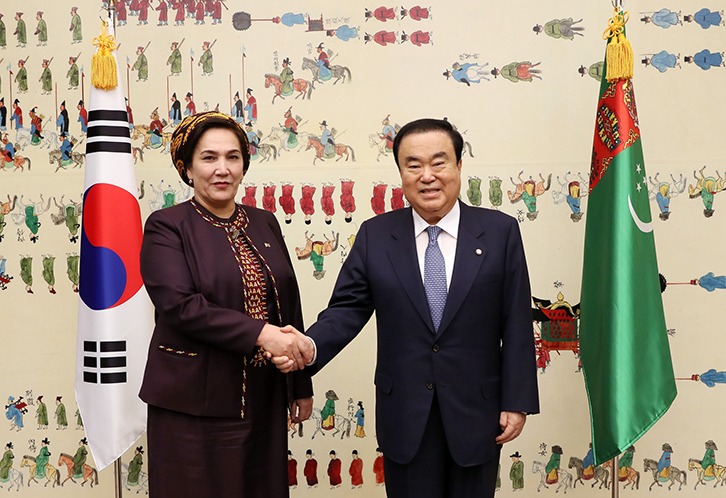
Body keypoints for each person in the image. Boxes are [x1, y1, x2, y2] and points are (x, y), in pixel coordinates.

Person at [273, 118, 539, 498]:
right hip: (405, 413)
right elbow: (347, 309)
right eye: (413, 165)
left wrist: (517, 401)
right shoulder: (376, 235)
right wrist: (309, 347)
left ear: (459, 166)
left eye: (439, 162)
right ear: (401, 172)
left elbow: (516, 322)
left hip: (478, 412)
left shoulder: (499, 231)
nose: (427, 176)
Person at [139, 111, 313, 497]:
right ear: (186, 168)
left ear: (243, 166)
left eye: (233, 157)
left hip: (264, 396)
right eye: (209, 158)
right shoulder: (167, 225)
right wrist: (263, 334)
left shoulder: (265, 222)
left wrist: (300, 382)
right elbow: (181, 306)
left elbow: (287, 301)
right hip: (193, 401)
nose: (223, 169)